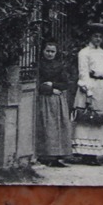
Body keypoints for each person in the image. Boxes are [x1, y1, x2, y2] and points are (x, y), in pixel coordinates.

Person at [71, 23, 103, 164]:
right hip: (89, 87)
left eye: (100, 37)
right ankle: (86, 154)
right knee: (87, 118)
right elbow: (83, 74)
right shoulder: (84, 53)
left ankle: (95, 153)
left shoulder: (102, 53)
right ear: (90, 37)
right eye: (95, 36)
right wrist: (88, 92)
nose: (98, 39)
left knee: (99, 119)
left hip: (101, 87)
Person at [33, 38, 73, 167]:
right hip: (44, 99)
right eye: (47, 51)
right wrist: (50, 89)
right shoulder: (38, 65)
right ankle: (46, 156)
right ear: (43, 51)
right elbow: (37, 84)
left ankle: (57, 157)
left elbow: (66, 84)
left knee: (59, 126)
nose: (50, 54)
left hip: (58, 101)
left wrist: (53, 84)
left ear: (56, 53)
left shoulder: (59, 66)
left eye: (52, 51)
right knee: (47, 126)